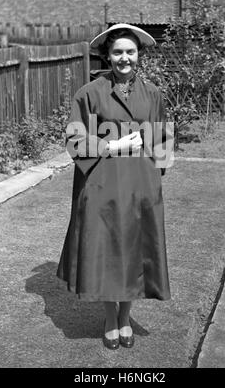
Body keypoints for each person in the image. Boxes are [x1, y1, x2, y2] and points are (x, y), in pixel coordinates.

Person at [57, 23, 172, 350]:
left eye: (130, 52)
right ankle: (110, 318)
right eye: (118, 52)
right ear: (107, 55)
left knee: (136, 253)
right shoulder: (89, 93)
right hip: (102, 187)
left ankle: (126, 319)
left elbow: (163, 141)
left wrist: (151, 165)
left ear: (139, 56)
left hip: (140, 188)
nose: (125, 58)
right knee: (106, 251)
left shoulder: (153, 94)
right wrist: (111, 146)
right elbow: (73, 141)